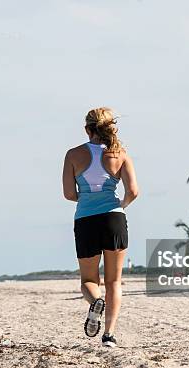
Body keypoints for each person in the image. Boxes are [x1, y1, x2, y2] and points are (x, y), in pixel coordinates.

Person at [62, 107, 138, 348]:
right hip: (114, 218)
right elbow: (133, 191)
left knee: (88, 280)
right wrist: (120, 206)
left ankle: (96, 301)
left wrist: (87, 200)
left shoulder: (73, 155)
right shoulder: (120, 154)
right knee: (114, 281)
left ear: (87, 129)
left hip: (85, 219)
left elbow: (68, 194)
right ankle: (109, 335)